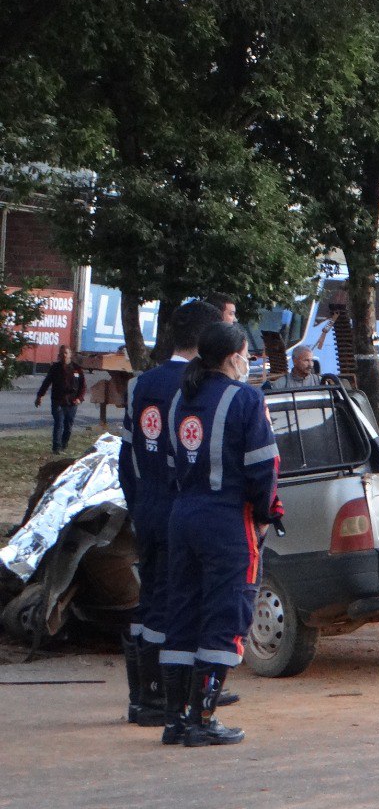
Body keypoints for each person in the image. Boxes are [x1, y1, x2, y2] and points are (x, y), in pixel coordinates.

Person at [159, 322, 283, 747]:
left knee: (183, 614)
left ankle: (174, 720)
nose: (249, 362)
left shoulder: (181, 398)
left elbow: (172, 464)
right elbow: (264, 468)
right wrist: (268, 513)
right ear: (234, 357)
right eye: (247, 354)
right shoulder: (247, 399)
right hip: (228, 521)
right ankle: (203, 720)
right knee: (227, 614)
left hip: (183, 515)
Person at [119, 300, 225, 727]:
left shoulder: (143, 382)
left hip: (148, 504)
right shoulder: (195, 385)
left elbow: (129, 457)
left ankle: (144, 696)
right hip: (183, 508)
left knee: (151, 599)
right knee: (180, 602)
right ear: (205, 341)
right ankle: (166, 696)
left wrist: (139, 500)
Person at [35, 345, 86, 454]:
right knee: (59, 423)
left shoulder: (77, 369)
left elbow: (83, 386)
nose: (64, 355)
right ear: (59, 355)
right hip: (58, 400)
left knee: (68, 426)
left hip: (72, 402)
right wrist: (40, 396)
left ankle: (64, 445)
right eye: (62, 353)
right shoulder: (55, 368)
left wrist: (79, 398)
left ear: (70, 354)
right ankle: (56, 448)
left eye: (66, 353)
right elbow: (46, 382)